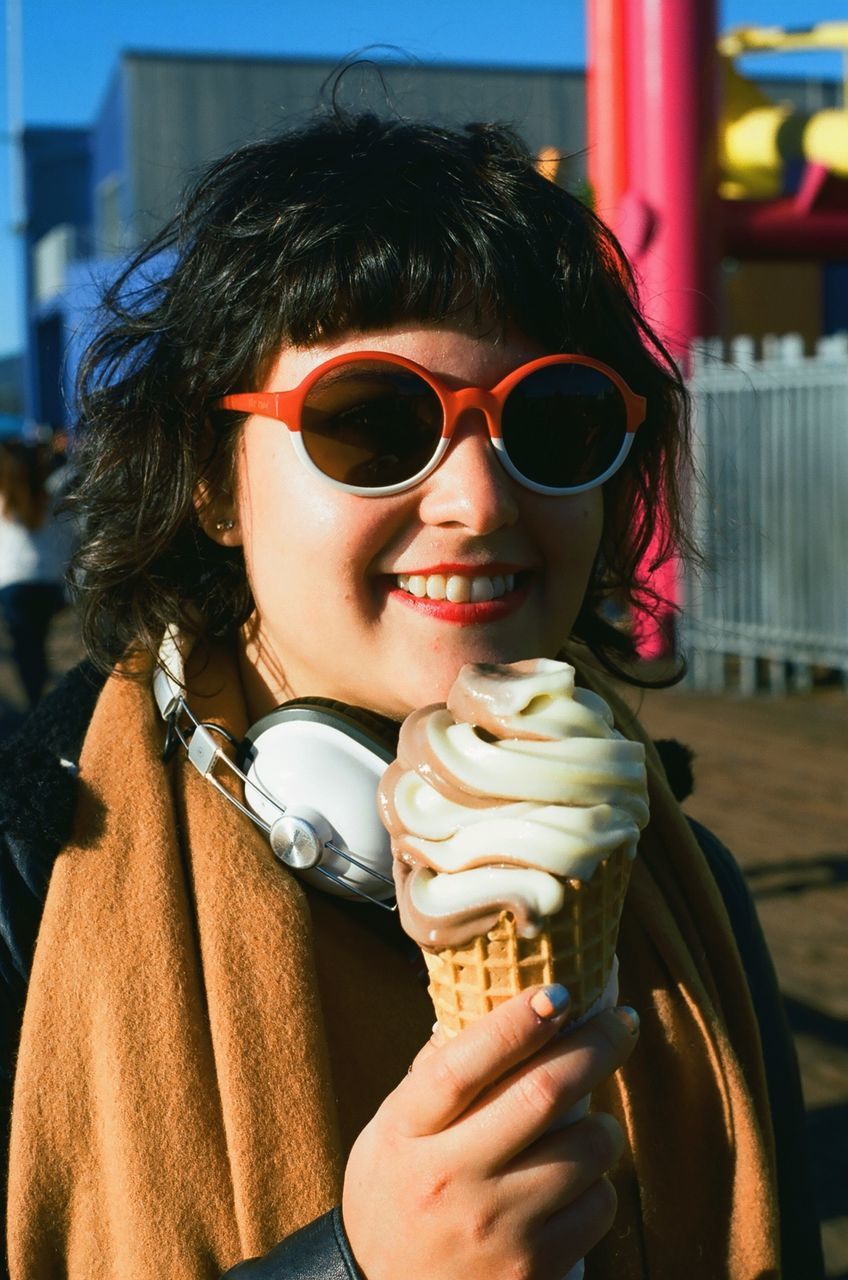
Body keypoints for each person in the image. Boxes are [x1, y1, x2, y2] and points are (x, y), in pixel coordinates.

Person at [0, 109, 823, 1279]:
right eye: (373, 422)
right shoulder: (22, 881)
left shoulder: (697, 893)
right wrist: (359, 1262)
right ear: (210, 480)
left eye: (551, 419)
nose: (479, 500)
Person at [0, 440, 74, 711]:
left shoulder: (4, 500)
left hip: (12, 585)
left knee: (25, 645)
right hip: (49, 584)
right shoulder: (54, 500)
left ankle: (34, 701)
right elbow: (69, 538)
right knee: (37, 641)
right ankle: (40, 698)